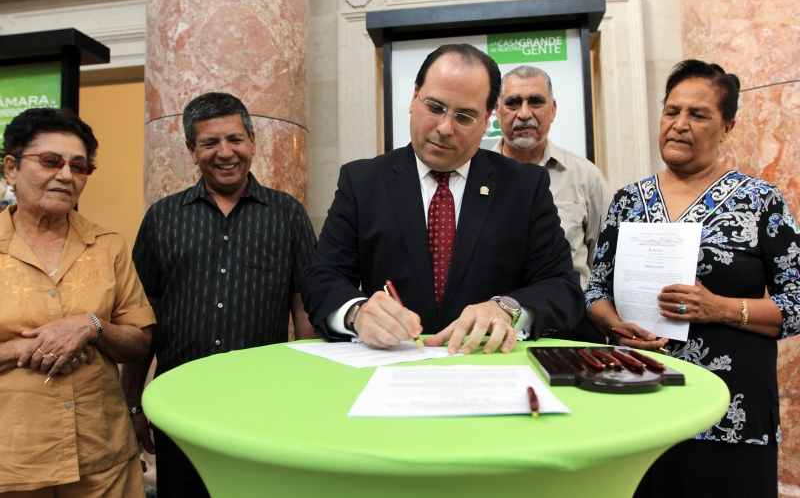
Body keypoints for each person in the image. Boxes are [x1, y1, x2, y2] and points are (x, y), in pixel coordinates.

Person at [585, 59, 800, 498]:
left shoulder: (761, 202)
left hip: (731, 414)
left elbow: (797, 302)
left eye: (698, 114)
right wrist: (615, 326)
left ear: (727, 128)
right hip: (640, 407)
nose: (680, 124)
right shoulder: (628, 201)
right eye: (672, 111)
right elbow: (596, 291)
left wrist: (719, 308)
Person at [301, 44, 583, 353]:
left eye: (465, 116)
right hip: (390, 364)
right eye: (435, 107)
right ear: (414, 98)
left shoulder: (524, 187)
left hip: (487, 363)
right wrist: (356, 313)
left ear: (487, 118)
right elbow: (322, 277)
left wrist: (506, 309)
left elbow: (562, 288)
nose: (445, 128)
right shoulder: (362, 183)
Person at [123, 92, 317, 498]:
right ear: (191, 150)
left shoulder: (287, 214)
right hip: (179, 405)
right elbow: (142, 318)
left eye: (235, 139)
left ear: (252, 141)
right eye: (209, 142)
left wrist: (309, 394)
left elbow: (305, 311)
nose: (225, 152)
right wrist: (133, 403)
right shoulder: (162, 218)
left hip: (264, 405)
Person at [0, 108, 155, 496]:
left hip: (102, 457)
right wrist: (23, 349)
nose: (67, 175)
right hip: (12, 462)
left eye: (79, 166)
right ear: (11, 168)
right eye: (50, 161)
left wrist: (92, 327)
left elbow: (140, 342)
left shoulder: (107, 246)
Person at [492, 65, 611, 342]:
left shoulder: (585, 177)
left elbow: (605, 264)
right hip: (496, 332)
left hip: (571, 330)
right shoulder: (475, 176)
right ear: (497, 112)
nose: (524, 114)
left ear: (553, 110)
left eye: (536, 102)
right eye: (513, 103)